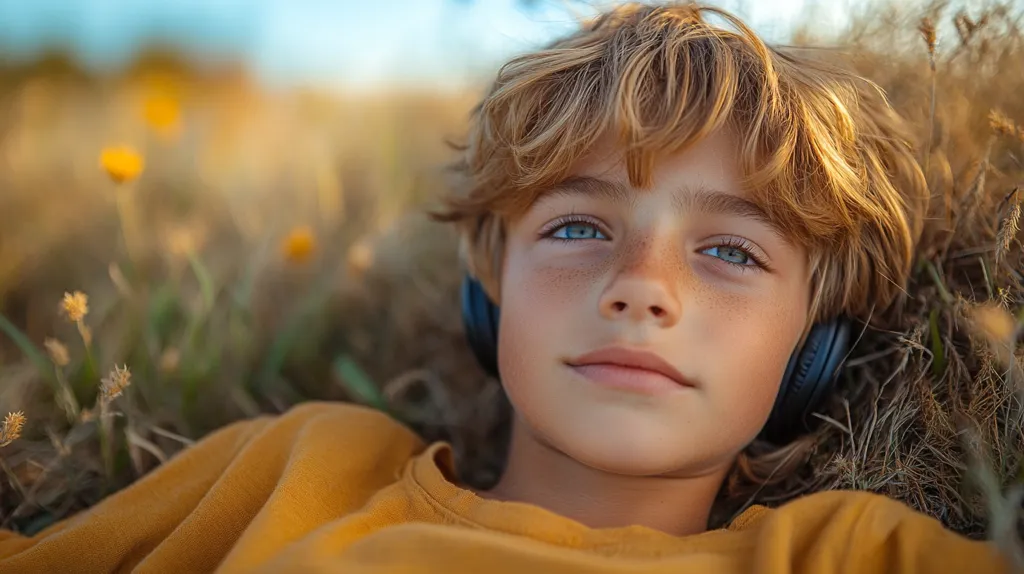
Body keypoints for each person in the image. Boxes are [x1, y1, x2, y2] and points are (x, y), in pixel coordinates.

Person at [0, 2, 1013, 572]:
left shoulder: (838, 555)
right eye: (578, 227)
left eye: (730, 252)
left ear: (815, 346)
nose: (639, 287)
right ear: (489, 286)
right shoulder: (304, 469)